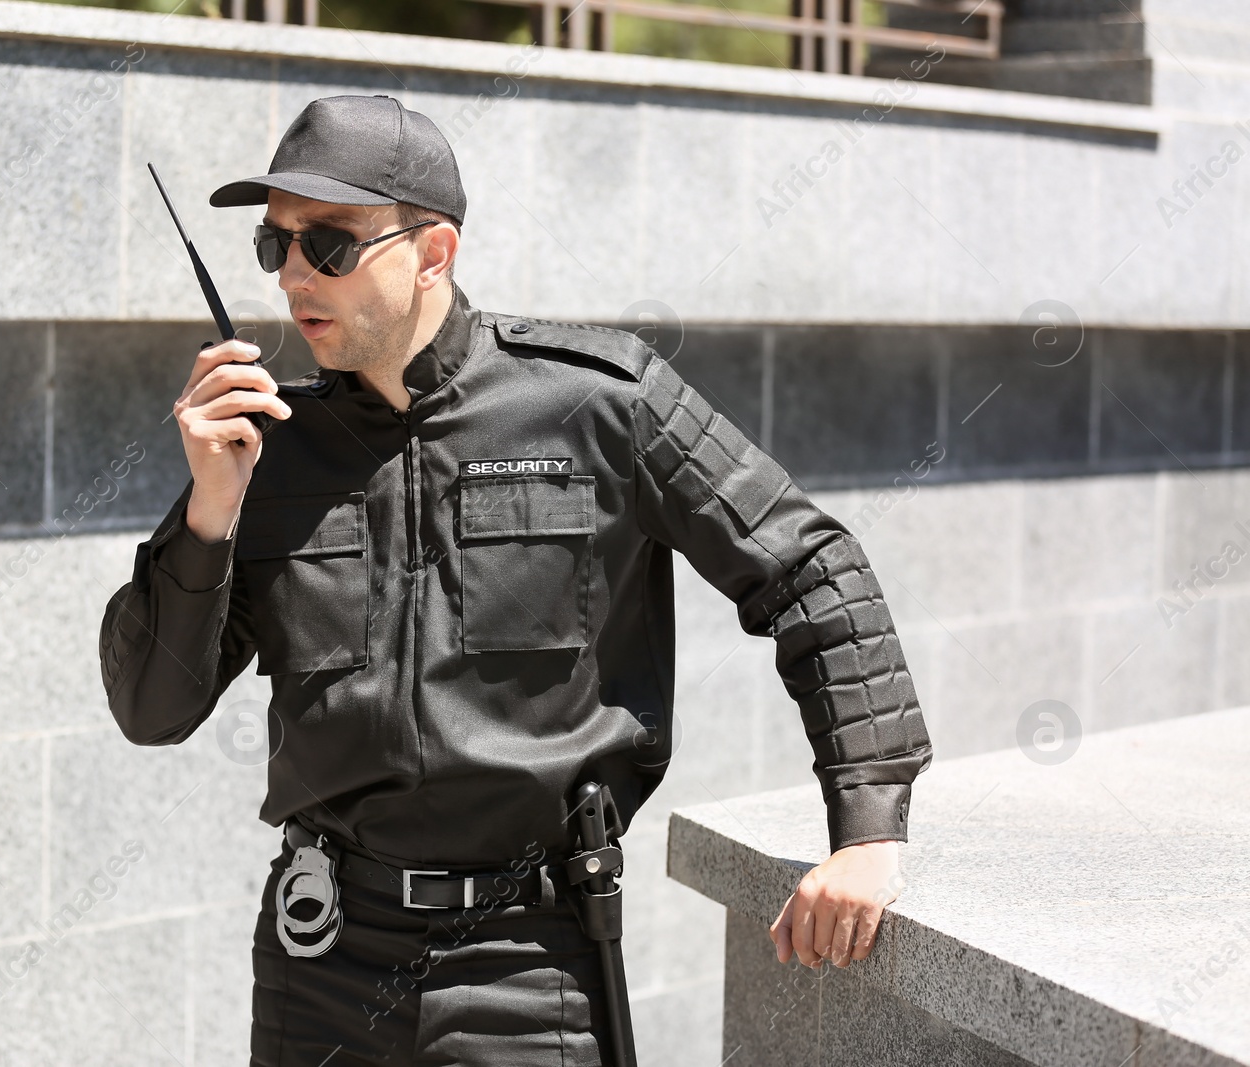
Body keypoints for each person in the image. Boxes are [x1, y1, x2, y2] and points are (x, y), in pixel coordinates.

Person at [98, 93, 933, 1066]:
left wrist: (867, 825)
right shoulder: (265, 450)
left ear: (435, 251)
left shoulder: (600, 401)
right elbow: (150, 707)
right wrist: (207, 513)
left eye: (328, 244)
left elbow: (807, 565)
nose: (291, 276)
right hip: (319, 955)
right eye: (273, 244)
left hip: (529, 964)